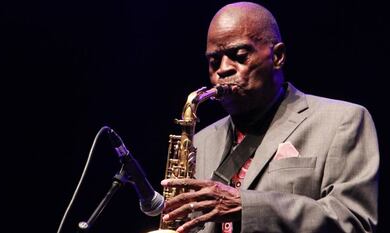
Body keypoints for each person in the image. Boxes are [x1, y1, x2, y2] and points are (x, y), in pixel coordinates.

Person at [160, 2, 379, 233]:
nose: (223, 69)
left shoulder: (342, 121)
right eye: (214, 61)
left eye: (240, 56)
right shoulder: (200, 142)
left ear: (278, 56)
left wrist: (248, 207)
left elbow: (353, 221)